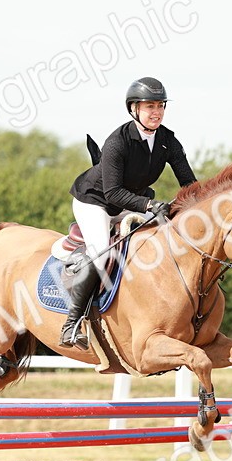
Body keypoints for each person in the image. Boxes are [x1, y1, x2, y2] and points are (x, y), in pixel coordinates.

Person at [62, 76, 198, 350]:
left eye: (160, 106)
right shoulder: (118, 142)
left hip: (129, 202)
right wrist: (150, 206)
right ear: (134, 109)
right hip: (96, 201)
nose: (156, 112)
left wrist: (199, 204)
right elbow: (112, 193)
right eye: (149, 106)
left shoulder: (167, 141)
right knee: (101, 252)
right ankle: (72, 324)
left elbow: (189, 184)